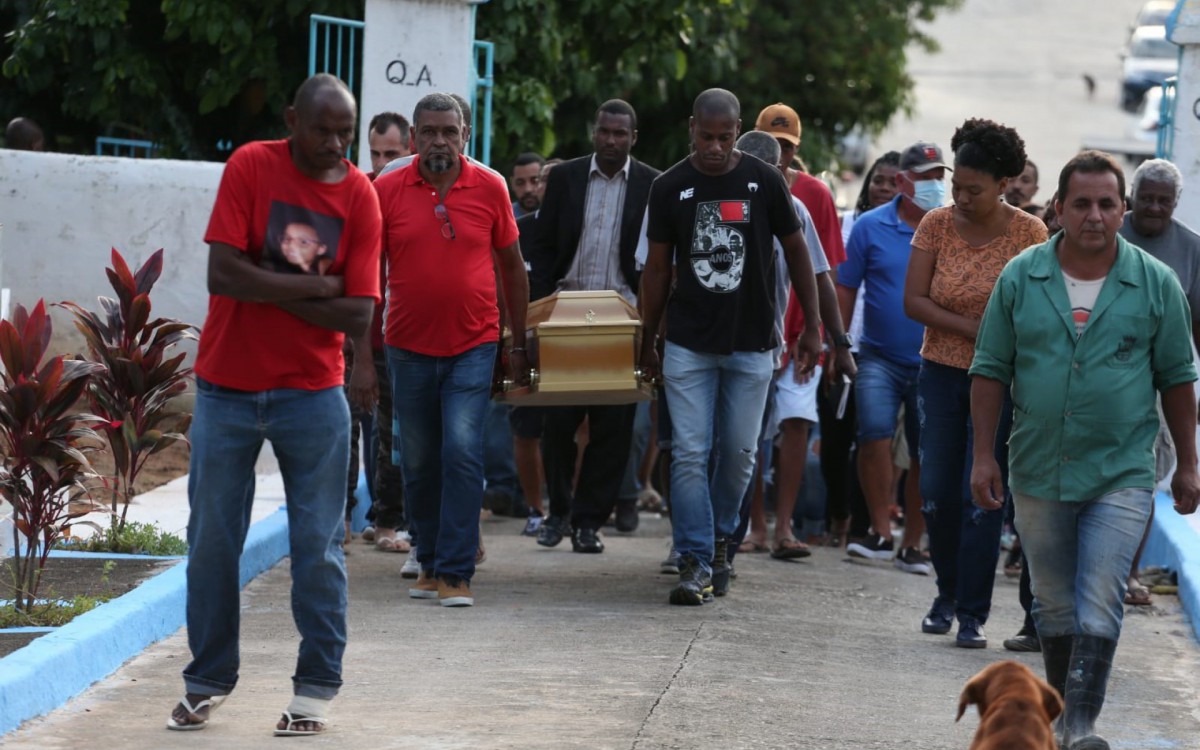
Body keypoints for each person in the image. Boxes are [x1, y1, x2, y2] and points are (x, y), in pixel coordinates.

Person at [168, 74, 381, 736]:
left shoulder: (360, 196)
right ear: (292, 120)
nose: (335, 144)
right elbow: (222, 274)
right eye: (322, 129)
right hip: (226, 389)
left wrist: (268, 285)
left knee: (318, 546)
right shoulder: (251, 166)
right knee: (211, 542)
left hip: (312, 395)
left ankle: (315, 688)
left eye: (345, 132)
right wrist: (318, 289)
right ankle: (207, 680)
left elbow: (359, 313)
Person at [970, 150, 1200, 749]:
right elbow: (990, 368)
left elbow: (1178, 378)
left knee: (1100, 598)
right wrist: (983, 456)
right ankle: (1064, 718)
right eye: (1081, 203)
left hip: (1121, 468)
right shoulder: (1021, 277)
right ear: (1059, 209)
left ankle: (1079, 726)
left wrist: (1189, 464)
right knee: (1052, 603)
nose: (1094, 215)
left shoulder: (1157, 283)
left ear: (1123, 211)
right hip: (1038, 464)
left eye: (1106, 203)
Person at [639, 88, 822, 605]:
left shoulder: (765, 180)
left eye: (725, 137)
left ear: (739, 130)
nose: (715, 147)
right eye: (706, 136)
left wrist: (812, 327)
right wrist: (648, 338)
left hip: (752, 343)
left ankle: (721, 538)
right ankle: (696, 558)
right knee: (689, 454)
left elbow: (798, 252)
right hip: (688, 344)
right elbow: (657, 269)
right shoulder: (669, 186)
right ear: (691, 128)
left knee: (741, 454)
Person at [375, 93, 529, 608]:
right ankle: (430, 559)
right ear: (414, 138)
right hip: (406, 346)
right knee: (419, 460)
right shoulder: (387, 188)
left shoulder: (491, 186)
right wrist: (362, 349)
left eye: (449, 131)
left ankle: (457, 572)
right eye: (429, 132)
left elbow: (512, 267)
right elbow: (368, 267)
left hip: (473, 344)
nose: (439, 141)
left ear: (465, 135)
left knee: (462, 452)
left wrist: (518, 341)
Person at [903, 119, 1048, 649]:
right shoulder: (936, 225)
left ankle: (970, 612)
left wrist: (994, 343)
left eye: (974, 190)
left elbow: (1035, 309)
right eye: (956, 186)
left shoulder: (1030, 235)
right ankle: (945, 592)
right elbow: (914, 301)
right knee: (937, 492)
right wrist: (977, 329)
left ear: (1004, 184)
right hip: (940, 373)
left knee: (981, 494)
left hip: (1000, 382)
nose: (961, 198)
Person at [525, 100, 660, 553]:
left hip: (622, 320)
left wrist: (649, 323)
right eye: (605, 131)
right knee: (558, 424)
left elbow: (658, 259)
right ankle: (557, 515)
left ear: (633, 137)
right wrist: (539, 311)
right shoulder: (565, 177)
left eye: (620, 133)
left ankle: (588, 524)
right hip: (564, 315)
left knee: (613, 429)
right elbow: (543, 248)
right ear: (594, 132)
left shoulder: (652, 184)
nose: (611, 140)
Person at [839, 141, 950, 573]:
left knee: (926, 452)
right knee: (873, 434)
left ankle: (913, 544)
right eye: (925, 177)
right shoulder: (870, 226)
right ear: (903, 181)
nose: (934, 185)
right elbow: (846, 286)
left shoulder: (950, 229)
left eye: (939, 176)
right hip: (877, 357)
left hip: (934, 360)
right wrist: (838, 345)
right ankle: (881, 532)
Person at [1117, 158, 1200, 606]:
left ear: (1176, 202)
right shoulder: (1109, 231)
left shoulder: (1192, 248)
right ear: (1131, 196)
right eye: (1145, 198)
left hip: (1159, 385)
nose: (1152, 207)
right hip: (1105, 378)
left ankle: (1128, 573)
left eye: (1162, 201)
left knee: (1143, 479)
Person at [366, 111, 411, 178]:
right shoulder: (360, 184)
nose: (381, 164)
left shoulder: (425, 183)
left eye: (390, 154)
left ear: (409, 152)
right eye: (375, 154)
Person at [510, 151, 546, 218]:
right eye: (520, 183)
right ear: (512, 184)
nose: (528, 189)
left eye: (535, 181)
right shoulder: (502, 217)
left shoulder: (561, 215)